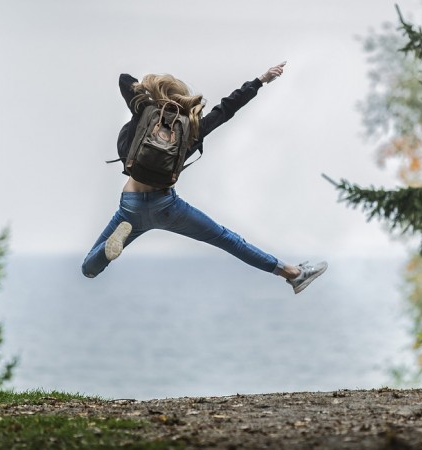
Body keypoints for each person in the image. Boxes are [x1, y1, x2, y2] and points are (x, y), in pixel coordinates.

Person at [82, 62, 327, 294]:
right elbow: (227, 109)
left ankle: (106, 251)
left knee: (88, 269)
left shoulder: (144, 111)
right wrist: (260, 80)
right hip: (166, 206)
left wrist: (151, 96)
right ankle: (293, 274)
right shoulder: (191, 128)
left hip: (131, 205)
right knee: (227, 240)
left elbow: (124, 79)